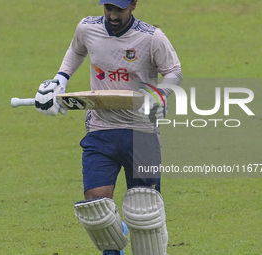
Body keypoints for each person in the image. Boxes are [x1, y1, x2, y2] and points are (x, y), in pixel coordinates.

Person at [34, 0, 182, 254]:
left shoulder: (151, 37)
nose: (112, 16)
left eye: (119, 10)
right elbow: (77, 50)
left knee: (144, 209)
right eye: (108, 9)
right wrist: (61, 79)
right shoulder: (87, 28)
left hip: (142, 133)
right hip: (100, 131)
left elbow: (173, 71)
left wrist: (160, 92)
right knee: (96, 207)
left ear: (134, 5)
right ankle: (114, 246)